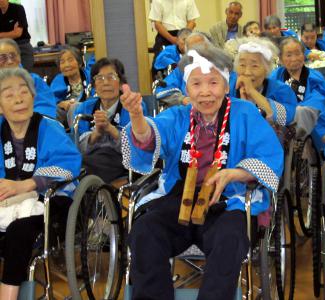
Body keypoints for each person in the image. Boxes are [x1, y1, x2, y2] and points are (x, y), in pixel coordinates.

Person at [120, 44, 283, 300]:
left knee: (230, 239)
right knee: (145, 231)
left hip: (229, 200)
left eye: (213, 83)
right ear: (187, 89)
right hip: (179, 199)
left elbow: (270, 156)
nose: (205, 92)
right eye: (196, 84)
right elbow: (150, 135)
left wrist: (233, 173)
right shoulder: (178, 116)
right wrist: (138, 118)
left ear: (226, 84)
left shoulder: (246, 113)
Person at [0, 67, 81, 300]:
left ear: (33, 97)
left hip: (50, 200)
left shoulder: (49, 127)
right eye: (9, 94)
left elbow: (69, 165)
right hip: (7, 204)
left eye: (24, 92)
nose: (18, 99)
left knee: (18, 231)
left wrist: (26, 184)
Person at [73, 58, 146, 183]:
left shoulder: (133, 105)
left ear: (121, 82)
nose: (105, 83)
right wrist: (96, 134)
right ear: (94, 85)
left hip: (122, 162)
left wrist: (110, 129)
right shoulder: (84, 108)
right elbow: (78, 148)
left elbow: (139, 148)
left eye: (111, 77)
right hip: (90, 160)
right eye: (99, 78)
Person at [229, 37, 297, 127]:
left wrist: (252, 92)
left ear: (267, 70)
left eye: (254, 66)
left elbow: (285, 119)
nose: (247, 72)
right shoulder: (228, 88)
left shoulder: (281, 90)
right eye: (242, 65)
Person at [270, 37, 325, 139]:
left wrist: (296, 111)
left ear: (304, 55)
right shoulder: (275, 77)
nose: (294, 59)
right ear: (281, 59)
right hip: (281, 123)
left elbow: (320, 101)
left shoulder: (314, 77)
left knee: (303, 113)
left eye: (298, 53)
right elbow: (268, 100)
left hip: (311, 123)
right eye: (288, 55)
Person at [0, 38, 57, 119]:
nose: (10, 61)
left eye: (13, 56)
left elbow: (45, 109)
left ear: (20, 57)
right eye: (2, 58)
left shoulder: (34, 80)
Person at [155, 32, 215, 106]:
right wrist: (182, 99)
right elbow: (163, 90)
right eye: (192, 51)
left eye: (200, 48)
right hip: (188, 110)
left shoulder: (219, 69)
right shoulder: (181, 70)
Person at [50, 46, 93, 126]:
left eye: (70, 60)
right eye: (62, 62)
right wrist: (61, 103)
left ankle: (77, 135)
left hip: (88, 109)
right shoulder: (58, 80)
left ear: (79, 63)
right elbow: (51, 99)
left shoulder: (89, 75)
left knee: (74, 107)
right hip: (66, 113)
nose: (67, 65)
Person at [0, 0, 33, 72]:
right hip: (3, 49)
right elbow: (14, 33)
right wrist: (11, 33)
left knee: (25, 76)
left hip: (22, 47)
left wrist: (2, 35)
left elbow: (17, 33)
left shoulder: (18, 9)